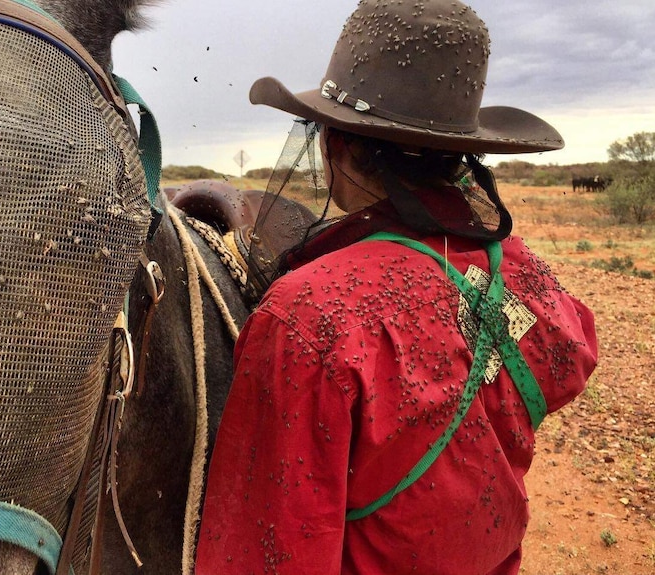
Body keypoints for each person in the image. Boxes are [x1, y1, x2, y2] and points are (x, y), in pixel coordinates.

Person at [194, 1, 598, 574]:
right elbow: (573, 352)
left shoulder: (307, 313)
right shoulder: (517, 267)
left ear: (338, 145)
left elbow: (266, 548)